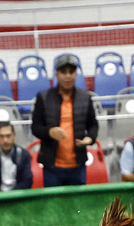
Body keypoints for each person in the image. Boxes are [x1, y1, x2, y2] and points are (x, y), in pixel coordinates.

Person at [30, 54, 99, 187]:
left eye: (71, 72)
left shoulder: (85, 98)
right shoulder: (43, 98)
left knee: (78, 206)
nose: (67, 76)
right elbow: (35, 127)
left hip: (78, 165)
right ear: (56, 74)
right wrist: (49, 132)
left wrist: (89, 139)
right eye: (63, 72)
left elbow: (93, 125)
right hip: (52, 167)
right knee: (54, 206)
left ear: (75, 74)